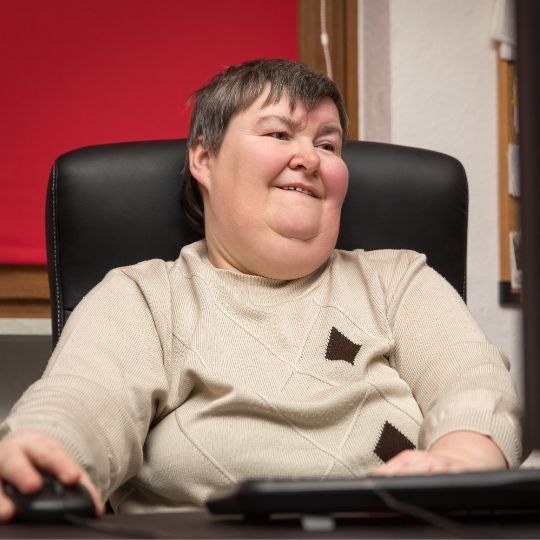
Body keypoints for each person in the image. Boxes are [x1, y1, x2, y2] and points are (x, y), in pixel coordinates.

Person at [0, 59, 521, 520]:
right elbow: (85, 398)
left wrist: (463, 459)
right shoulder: (145, 297)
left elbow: (470, 379)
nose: (310, 159)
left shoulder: (397, 281)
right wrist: (44, 450)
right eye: (278, 134)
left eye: (327, 143)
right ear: (204, 159)